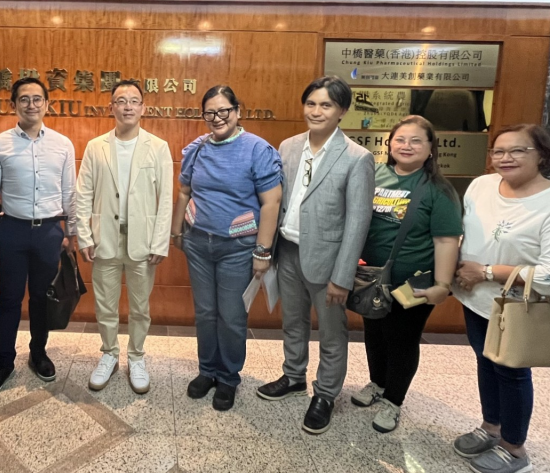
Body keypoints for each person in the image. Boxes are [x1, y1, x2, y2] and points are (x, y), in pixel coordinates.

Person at [452, 124, 550, 473]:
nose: (505, 158)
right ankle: (490, 427)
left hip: (515, 306)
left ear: (542, 155)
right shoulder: (481, 186)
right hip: (475, 298)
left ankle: (514, 448)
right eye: (498, 151)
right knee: (485, 361)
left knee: (511, 372)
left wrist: (486, 271)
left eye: (518, 150)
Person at [255, 76, 374, 434]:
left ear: (342, 111)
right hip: (289, 251)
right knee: (293, 322)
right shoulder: (288, 146)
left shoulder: (357, 158)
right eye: (311, 103)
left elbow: (358, 222)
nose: (316, 111)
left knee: (332, 333)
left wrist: (342, 276)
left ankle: (325, 394)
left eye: (326, 105)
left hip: (329, 260)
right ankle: (294, 376)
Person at [170, 85, 282, 412]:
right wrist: (176, 231)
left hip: (239, 247)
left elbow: (271, 202)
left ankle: (229, 377)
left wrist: (263, 252)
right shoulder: (197, 149)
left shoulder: (257, 149)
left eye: (224, 111)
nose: (217, 118)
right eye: (210, 112)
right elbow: (184, 192)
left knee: (231, 315)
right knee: (205, 312)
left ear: (237, 111)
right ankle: (207, 370)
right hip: (198, 243)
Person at [352, 115, 461, 433]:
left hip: (412, 281)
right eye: (400, 139)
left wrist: (442, 284)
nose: (406, 146)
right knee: (375, 333)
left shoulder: (438, 190)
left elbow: (446, 240)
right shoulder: (375, 175)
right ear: (389, 144)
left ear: (430, 148)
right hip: (372, 278)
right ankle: (377, 383)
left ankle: (393, 400)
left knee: (401, 339)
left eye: (416, 140)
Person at [0, 77, 77, 400]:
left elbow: (69, 193)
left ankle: (38, 353)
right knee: (9, 299)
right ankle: (4, 361)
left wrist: (71, 232)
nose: (31, 104)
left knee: (41, 298)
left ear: (47, 104)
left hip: (49, 232)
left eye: (37, 99)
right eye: (24, 99)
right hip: (12, 231)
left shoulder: (62, 144)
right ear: (14, 105)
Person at [77, 80, 173, 394]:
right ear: (112, 108)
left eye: (134, 100)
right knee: (105, 305)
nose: (127, 106)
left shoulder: (157, 146)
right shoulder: (96, 146)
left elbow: (166, 198)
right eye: (121, 101)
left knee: (140, 307)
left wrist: (160, 242)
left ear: (143, 108)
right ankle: (109, 354)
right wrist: (84, 236)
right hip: (104, 238)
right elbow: (83, 194)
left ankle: (136, 357)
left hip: (142, 241)